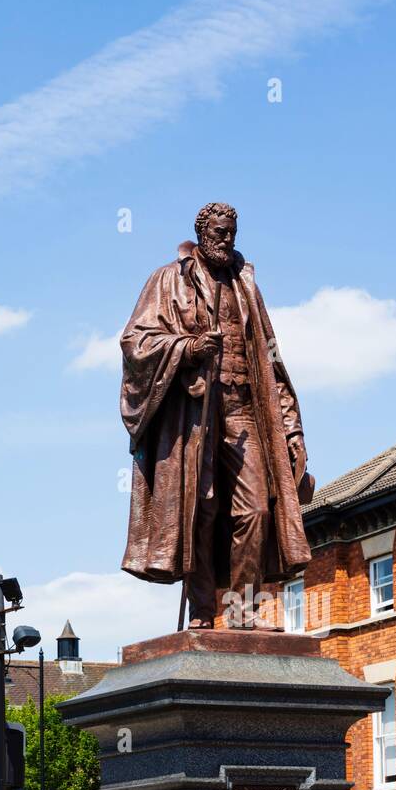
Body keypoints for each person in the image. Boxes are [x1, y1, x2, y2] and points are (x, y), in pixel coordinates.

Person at [119, 202, 312, 628]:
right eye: (219, 233)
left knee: (257, 508)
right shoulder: (169, 278)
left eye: (232, 233)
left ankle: (243, 613)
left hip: (246, 410)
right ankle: (204, 612)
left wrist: (292, 428)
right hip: (194, 415)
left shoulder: (246, 286)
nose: (226, 240)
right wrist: (186, 348)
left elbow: (272, 363)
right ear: (202, 233)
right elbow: (135, 342)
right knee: (200, 511)